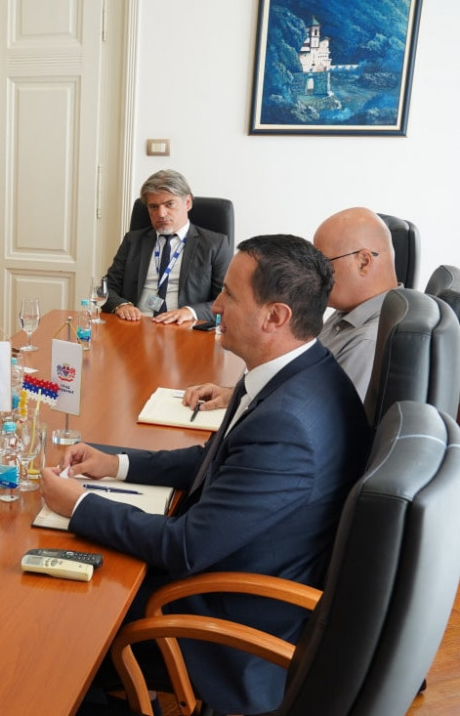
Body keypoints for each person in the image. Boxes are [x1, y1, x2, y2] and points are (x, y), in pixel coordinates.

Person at [41, 235, 371, 714]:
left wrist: (78, 505)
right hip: (229, 572)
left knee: (57, 617)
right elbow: (217, 459)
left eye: (229, 296)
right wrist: (116, 464)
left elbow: (186, 546)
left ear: (275, 316)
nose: (214, 305)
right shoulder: (295, 374)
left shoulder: (288, 427)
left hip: (225, 625)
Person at [184, 206, 398, 409]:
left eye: (324, 264)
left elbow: (314, 415)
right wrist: (236, 395)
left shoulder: (368, 342)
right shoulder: (348, 314)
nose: (316, 274)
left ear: (364, 262)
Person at [101, 169, 231, 324]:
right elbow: (107, 287)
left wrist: (190, 312)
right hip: (136, 323)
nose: (161, 214)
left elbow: (227, 299)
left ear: (187, 203)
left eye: (169, 204)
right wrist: (121, 305)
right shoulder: (133, 241)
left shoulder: (214, 244)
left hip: (184, 327)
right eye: (153, 207)